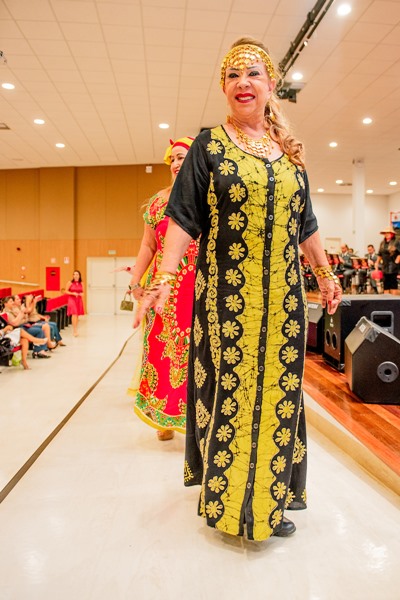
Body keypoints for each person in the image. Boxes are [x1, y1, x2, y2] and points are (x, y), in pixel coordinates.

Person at [134, 37, 342, 541]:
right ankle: (228, 504)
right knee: (231, 394)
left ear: (271, 86)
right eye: (232, 76)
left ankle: (270, 504)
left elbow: (306, 223)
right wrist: (162, 278)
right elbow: (183, 218)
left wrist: (326, 274)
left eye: (252, 74)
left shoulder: (291, 155)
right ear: (224, 89)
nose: (242, 84)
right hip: (227, 299)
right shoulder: (209, 145)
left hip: (284, 302)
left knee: (277, 396)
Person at [127, 136, 198, 441]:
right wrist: (135, 280)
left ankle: (198, 417)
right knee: (162, 350)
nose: (177, 163)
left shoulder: (207, 198)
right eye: (173, 159)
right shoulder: (158, 201)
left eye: (183, 157)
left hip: (198, 286)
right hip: (163, 290)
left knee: (197, 352)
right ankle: (164, 417)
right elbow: (148, 244)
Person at [376, 227, 400, 294]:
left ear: (392, 234)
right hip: (385, 266)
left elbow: (399, 253)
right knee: (386, 283)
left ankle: (393, 300)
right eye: (385, 233)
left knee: (393, 283)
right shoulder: (382, 243)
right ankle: (386, 300)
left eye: (388, 233)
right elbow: (380, 254)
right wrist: (377, 262)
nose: (386, 234)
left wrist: (397, 261)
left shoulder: (396, 242)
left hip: (393, 266)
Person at [66, 270, 84, 336]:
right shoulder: (70, 283)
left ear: (79, 276)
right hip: (71, 299)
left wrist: (81, 294)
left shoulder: (81, 283)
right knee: (74, 313)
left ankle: (76, 328)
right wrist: (72, 293)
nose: (76, 276)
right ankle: (74, 330)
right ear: (73, 276)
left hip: (78, 299)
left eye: (77, 274)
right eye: (74, 274)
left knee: (77, 315)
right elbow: (66, 291)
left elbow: (83, 292)